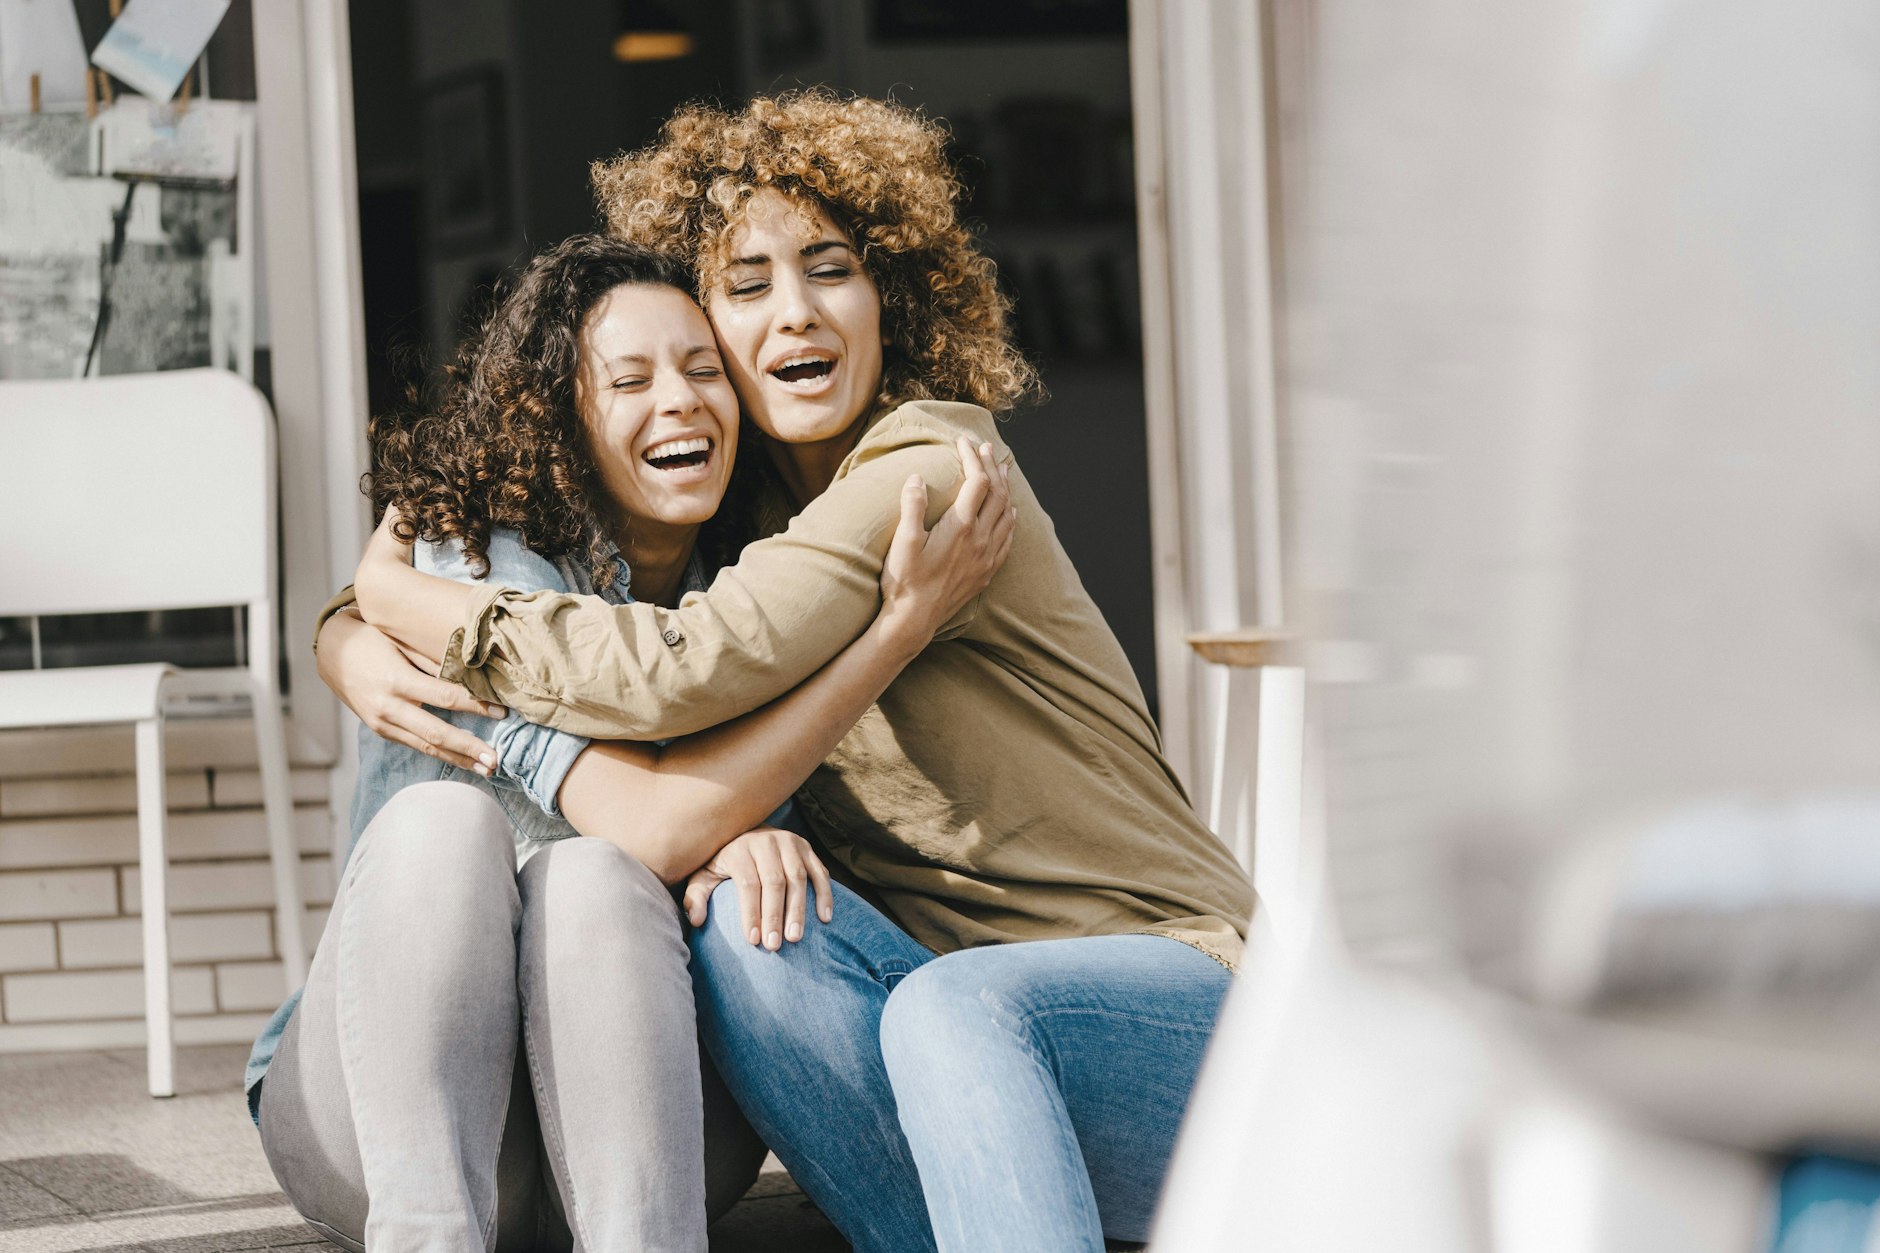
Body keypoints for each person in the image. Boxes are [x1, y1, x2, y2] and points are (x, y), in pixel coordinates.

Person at [335, 90, 1253, 1253]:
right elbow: (649, 646)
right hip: (963, 1050)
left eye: (831, 268)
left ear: (894, 296)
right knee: (747, 930)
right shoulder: (752, 522)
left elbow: (683, 668)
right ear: (702, 324)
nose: (796, 312)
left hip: (1182, 1012)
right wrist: (348, 625)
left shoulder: (921, 467)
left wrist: (405, 602)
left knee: (953, 1004)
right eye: (746, 282)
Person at [257, 234, 1013, 1252]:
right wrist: (714, 818)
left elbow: (657, 837)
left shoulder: (765, 588)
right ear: (559, 418)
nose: (681, 400)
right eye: (629, 379)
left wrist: (733, 830)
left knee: (597, 879)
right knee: (445, 824)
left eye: (705, 370)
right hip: (387, 1129)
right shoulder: (468, 562)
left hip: (631, 1143)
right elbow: (658, 823)